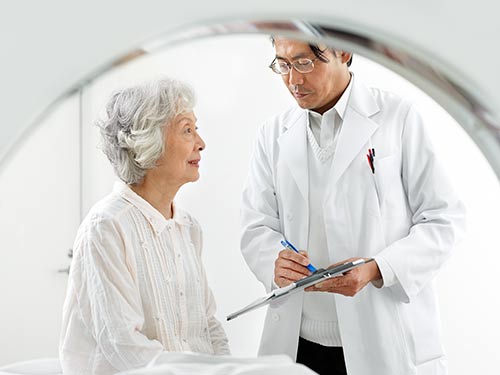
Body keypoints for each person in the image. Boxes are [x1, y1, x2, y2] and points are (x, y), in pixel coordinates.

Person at [240, 36, 465, 375]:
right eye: (283, 65)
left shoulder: (397, 118)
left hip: (383, 336)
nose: (293, 80)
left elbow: (444, 219)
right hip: (299, 344)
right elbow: (256, 224)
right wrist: (275, 260)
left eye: (304, 63)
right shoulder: (272, 133)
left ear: (343, 51)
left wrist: (376, 269)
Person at [60, 78, 230, 374]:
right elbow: (124, 345)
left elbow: (208, 327)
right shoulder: (106, 227)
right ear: (147, 142)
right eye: (187, 130)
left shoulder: (188, 227)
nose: (200, 143)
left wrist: (230, 370)